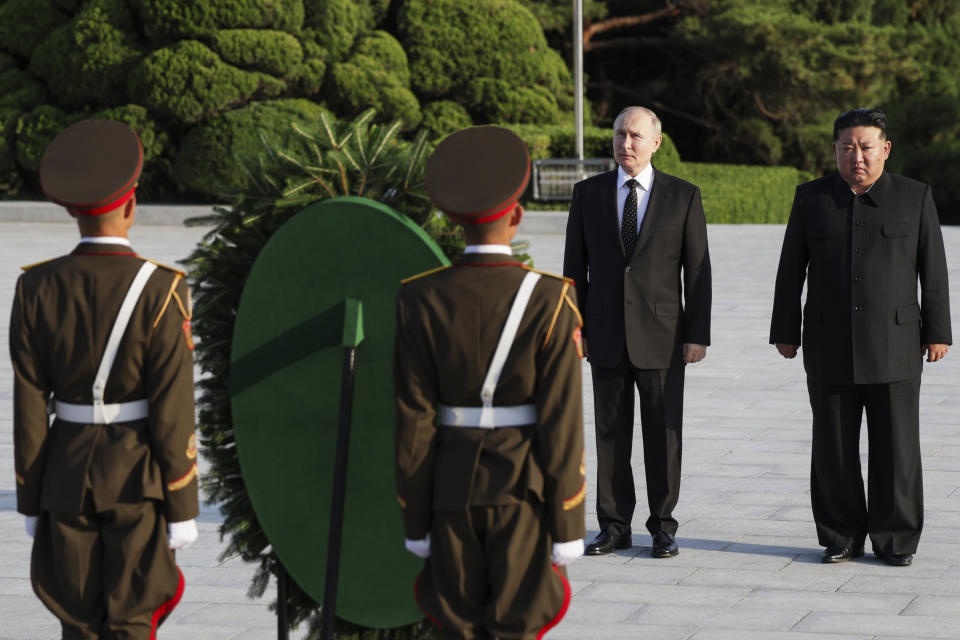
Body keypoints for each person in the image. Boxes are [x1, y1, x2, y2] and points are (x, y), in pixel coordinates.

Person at [394, 125, 586, 638]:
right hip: (523, 491)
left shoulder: (419, 297)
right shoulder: (550, 299)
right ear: (517, 215)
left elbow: (412, 419)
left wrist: (416, 518)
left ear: (453, 220)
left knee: (455, 626)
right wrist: (567, 520)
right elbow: (562, 422)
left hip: (450, 491)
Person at [11, 119, 200, 638]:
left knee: (78, 621)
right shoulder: (163, 289)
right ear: (131, 204)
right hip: (136, 478)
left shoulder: (35, 288)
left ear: (72, 211)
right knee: (132, 620)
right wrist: (182, 501)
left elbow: (28, 403)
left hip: (65, 475)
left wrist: (30, 497)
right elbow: (172, 406)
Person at [771, 107, 951, 567]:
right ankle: (840, 535)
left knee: (897, 448)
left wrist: (939, 332)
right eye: (847, 147)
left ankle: (895, 539)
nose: (857, 156)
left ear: (885, 150)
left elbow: (933, 271)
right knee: (833, 445)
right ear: (835, 150)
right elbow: (791, 269)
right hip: (829, 343)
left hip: (895, 345)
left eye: (866, 147)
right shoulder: (811, 199)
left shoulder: (914, 197)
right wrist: (785, 331)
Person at [563, 106, 711, 558]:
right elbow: (575, 269)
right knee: (609, 434)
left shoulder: (683, 196)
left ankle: (663, 526)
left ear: (656, 143)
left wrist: (697, 333)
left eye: (635, 136)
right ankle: (613, 526)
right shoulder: (587, 194)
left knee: (663, 435)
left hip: (664, 337)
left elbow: (698, 269)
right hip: (605, 333)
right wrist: (576, 326)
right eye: (619, 134)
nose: (625, 144)